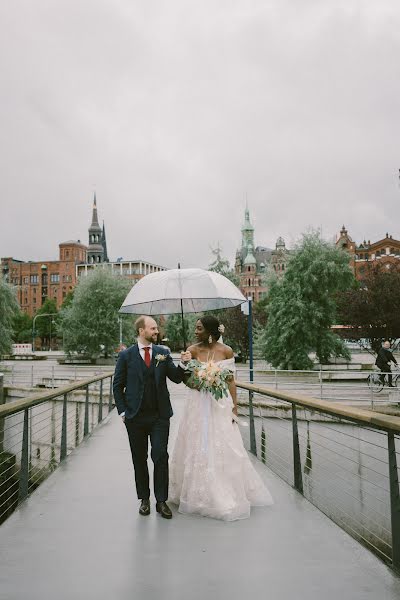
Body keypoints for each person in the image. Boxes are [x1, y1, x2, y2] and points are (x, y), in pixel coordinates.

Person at [169, 315, 273, 521]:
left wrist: (234, 408)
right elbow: (185, 380)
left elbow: (231, 381)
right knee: (196, 443)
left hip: (219, 404)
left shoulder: (226, 351)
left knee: (224, 443)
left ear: (210, 331)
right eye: (195, 328)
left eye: (199, 328)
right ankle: (196, 493)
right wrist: (194, 376)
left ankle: (224, 490)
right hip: (197, 404)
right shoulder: (192, 350)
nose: (195, 331)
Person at [113, 316, 191, 519]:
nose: (157, 331)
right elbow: (117, 386)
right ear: (141, 331)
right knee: (139, 459)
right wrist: (123, 412)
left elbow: (175, 378)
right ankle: (144, 499)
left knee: (160, 456)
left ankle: (161, 501)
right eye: (153, 328)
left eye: (156, 328)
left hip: (159, 416)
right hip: (135, 417)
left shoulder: (162, 353)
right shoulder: (126, 356)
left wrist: (183, 365)